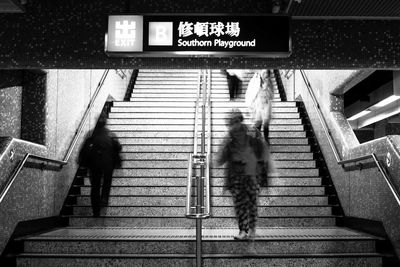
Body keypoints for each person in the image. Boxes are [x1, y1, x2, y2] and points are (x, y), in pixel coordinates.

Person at [217, 109, 270, 240]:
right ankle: (242, 230)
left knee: (252, 203)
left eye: (236, 121)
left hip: (252, 174)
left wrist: (264, 174)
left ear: (241, 120)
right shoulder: (228, 139)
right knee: (239, 205)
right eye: (231, 123)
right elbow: (220, 160)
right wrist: (225, 145)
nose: (234, 125)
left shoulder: (253, 133)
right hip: (236, 176)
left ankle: (252, 230)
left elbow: (263, 153)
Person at [78, 115, 122, 217]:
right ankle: (104, 199)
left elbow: (85, 149)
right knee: (106, 184)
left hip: (94, 165)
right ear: (105, 122)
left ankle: (96, 210)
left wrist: (83, 162)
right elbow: (119, 147)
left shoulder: (91, 134)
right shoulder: (110, 134)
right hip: (108, 164)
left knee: (95, 187)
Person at [245, 69, 274, 144]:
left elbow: (271, 96)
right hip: (258, 105)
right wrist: (249, 106)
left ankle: (266, 140)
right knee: (258, 123)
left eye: (266, 73)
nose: (265, 75)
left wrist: (267, 87)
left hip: (266, 105)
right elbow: (251, 93)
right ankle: (257, 140)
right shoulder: (256, 81)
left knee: (265, 124)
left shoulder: (269, 82)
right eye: (264, 73)